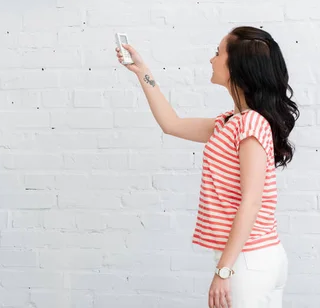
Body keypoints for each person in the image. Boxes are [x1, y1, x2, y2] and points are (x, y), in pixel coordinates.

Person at [116, 27, 299, 308]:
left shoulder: (250, 124)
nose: (211, 60)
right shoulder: (229, 122)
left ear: (237, 65)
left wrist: (223, 271)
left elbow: (251, 201)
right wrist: (143, 73)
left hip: (247, 262)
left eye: (218, 53)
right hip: (252, 260)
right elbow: (172, 124)